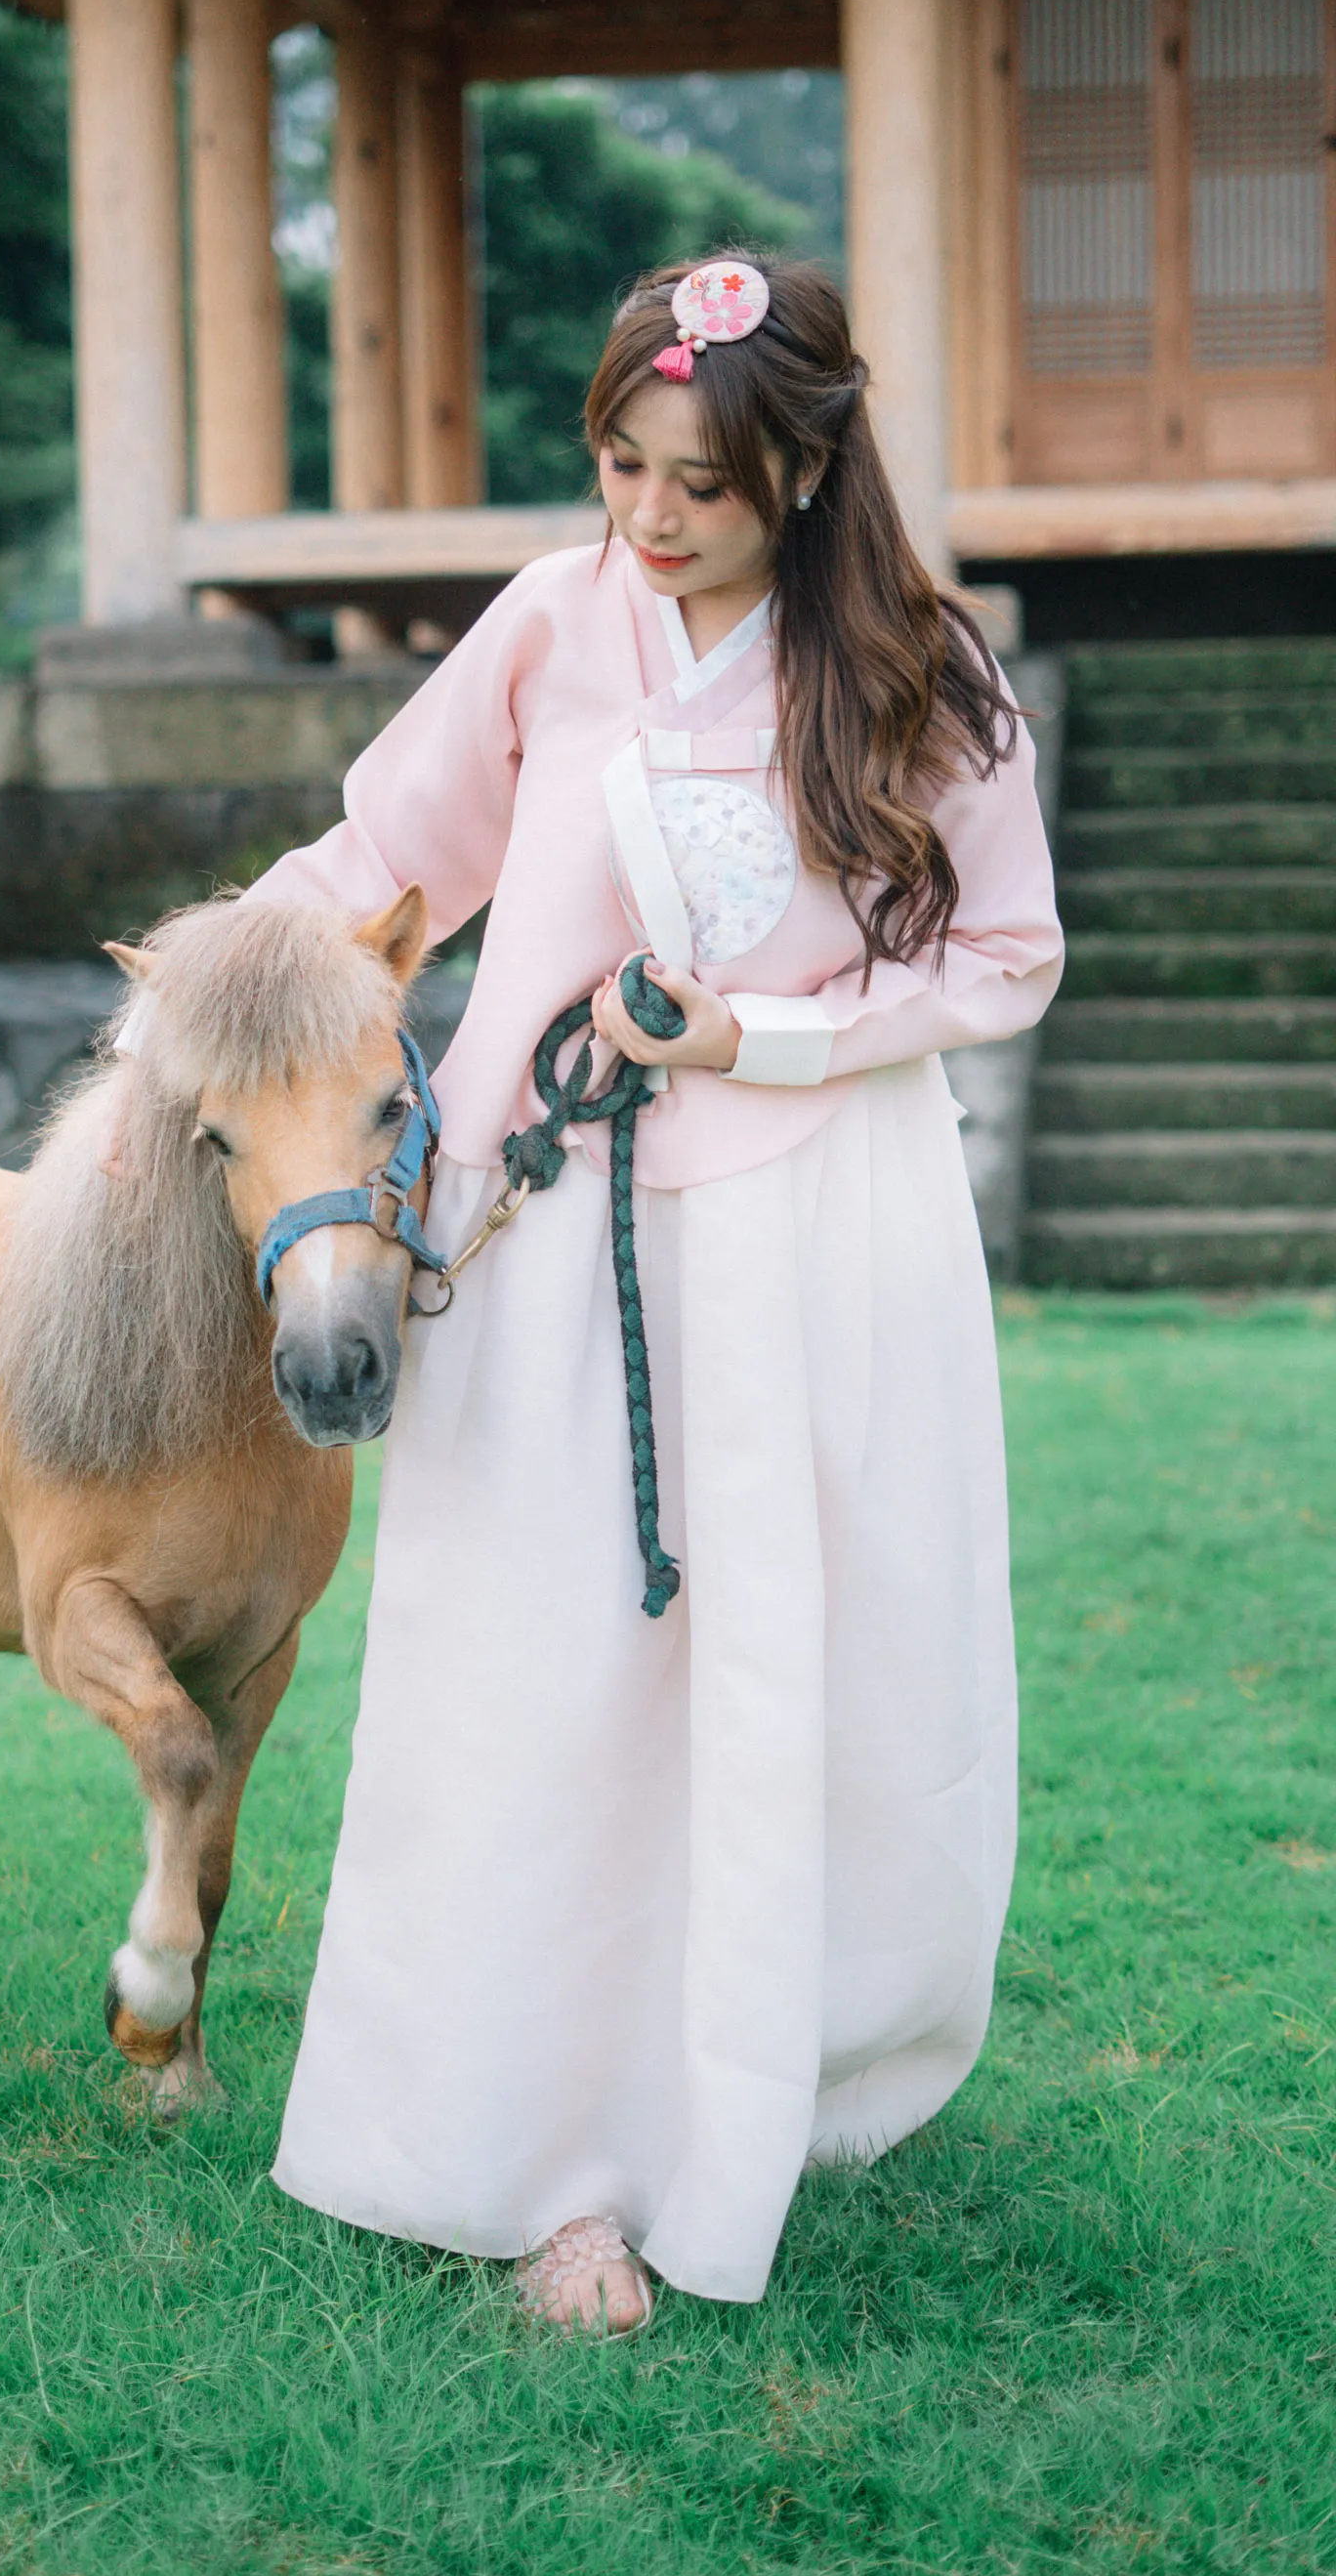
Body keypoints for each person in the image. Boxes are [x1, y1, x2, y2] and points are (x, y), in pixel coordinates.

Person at [248, 257, 1064, 2335]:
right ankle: (544, 2152)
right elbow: (384, 855)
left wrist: (762, 1036)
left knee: (773, 1667)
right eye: (621, 462)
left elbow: (1000, 959)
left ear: (799, 465)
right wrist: (220, 977)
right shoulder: (548, 624)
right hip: (542, 1235)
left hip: (810, 1232)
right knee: (528, 1669)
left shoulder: (906, 667)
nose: (651, 512)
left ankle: (735, 2093)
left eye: (701, 477)